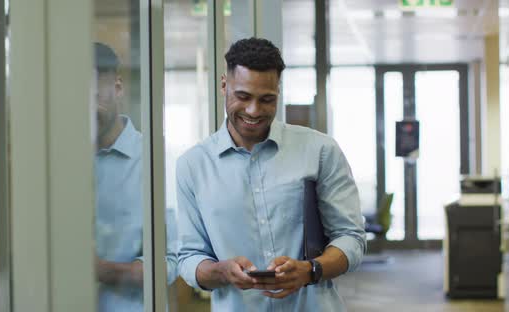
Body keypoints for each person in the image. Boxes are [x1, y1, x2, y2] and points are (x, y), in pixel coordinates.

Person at [176, 37, 365, 311]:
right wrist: (222, 271)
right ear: (223, 85)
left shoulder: (320, 150)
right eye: (243, 97)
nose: (253, 111)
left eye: (267, 99)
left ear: (278, 91)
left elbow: (351, 238)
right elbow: (189, 258)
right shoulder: (193, 165)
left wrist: (311, 270)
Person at [93, 42, 177, 312]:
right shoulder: (60, 163)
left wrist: (105, 271)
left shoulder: (155, 160)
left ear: (117, 88)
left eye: (96, 94)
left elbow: (173, 262)